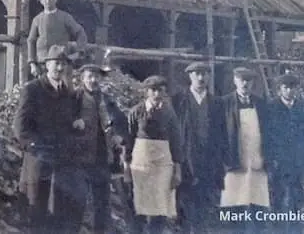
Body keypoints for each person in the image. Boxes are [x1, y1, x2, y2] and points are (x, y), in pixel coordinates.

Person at [13, 45, 83, 234]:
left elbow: (68, 124)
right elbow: (20, 127)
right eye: (55, 64)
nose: (59, 69)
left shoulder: (68, 94)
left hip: (61, 164)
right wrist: (35, 147)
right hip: (38, 161)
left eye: (63, 64)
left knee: (59, 213)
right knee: (37, 212)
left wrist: (76, 126)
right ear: (46, 65)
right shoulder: (33, 89)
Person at [71, 62, 129, 234]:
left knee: (101, 204)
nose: (93, 80)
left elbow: (121, 121)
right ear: (82, 78)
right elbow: (64, 121)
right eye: (90, 76)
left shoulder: (107, 100)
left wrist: (119, 135)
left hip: (102, 159)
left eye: (96, 76)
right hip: (79, 160)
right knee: (77, 203)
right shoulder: (74, 98)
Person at [170, 62, 225, 234]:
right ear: (190, 76)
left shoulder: (216, 102)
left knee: (205, 202)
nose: (201, 78)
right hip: (185, 159)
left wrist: (220, 161)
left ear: (208, 76)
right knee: (184, 202)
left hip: (208, 160)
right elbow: (172, 131)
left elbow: (222, 134)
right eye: (197, 74)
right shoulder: (178, 100)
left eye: (204, 74)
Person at [125, 75, 183, 234]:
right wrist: (126, 168)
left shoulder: (170, 114)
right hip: (140, 165)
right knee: (138, 207)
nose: (157, 94)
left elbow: (176, 143)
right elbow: (128, 141)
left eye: (160, 90)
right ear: (147, 92)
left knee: (159, 209)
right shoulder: (136, 112)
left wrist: (177, 170)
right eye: (153, 90)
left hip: (163, 166)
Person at [218, 67, 270, 234]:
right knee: (235, 204)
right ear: (235, 81)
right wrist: (224, 159)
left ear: (253, 82)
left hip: (257, 159)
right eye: (241, 79)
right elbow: (218, 133)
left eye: (248, 80)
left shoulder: (261, 103)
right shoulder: (224, 103)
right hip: (234, 160)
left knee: (258, 205)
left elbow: (268, 132)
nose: (245, 83)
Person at [267, 74, 304, 233]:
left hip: (297, 158)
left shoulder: (303, 107)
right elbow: (267, 135)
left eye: (292, 87)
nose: (289, 90)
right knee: (277, 194)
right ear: (279, 90)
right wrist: (271, 158)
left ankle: (295, 228)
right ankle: (278, 228)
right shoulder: (271, 107)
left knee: (296, 193)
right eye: (285, 87)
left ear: (296, 89)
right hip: (278, 159)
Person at [27, 0, 87, 78]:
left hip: (60, 62)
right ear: (41, 1)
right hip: (42, 63)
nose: (47, 1)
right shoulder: (37, 19)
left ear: (56, 0)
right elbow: (31, 40)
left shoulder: (65, 17)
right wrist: (32, 63)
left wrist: (79, 52)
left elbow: (80, 32)